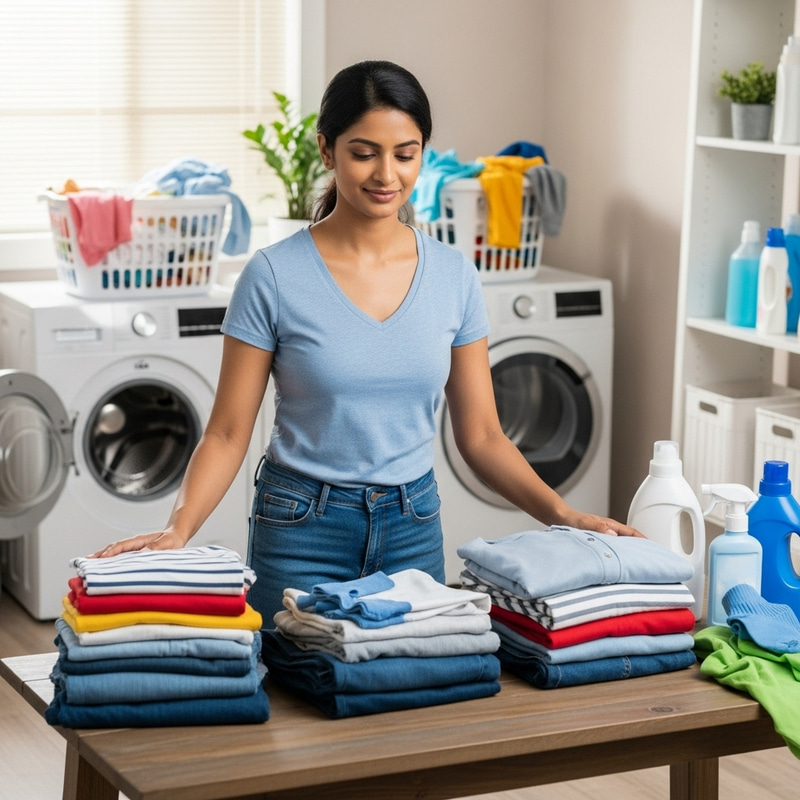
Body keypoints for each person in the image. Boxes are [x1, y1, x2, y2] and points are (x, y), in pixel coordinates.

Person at [92, 60, 641, 622]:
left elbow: (481, 436)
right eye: (364, 153)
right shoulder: (273, 275)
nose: (386, 174)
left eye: (405, 154)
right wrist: (178, 529)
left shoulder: (454, 275)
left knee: (411, 675)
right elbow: (229, 432)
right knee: (293, 676)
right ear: (327, 151)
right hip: (301, 527)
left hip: (412, 527)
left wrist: (563, 515)